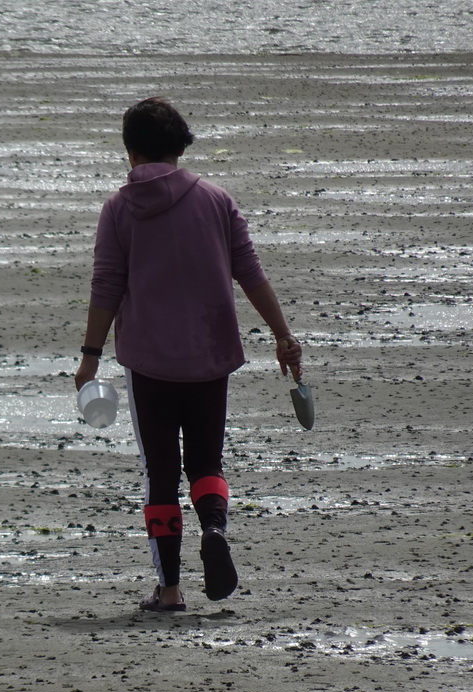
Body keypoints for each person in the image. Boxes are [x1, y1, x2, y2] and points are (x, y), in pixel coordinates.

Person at [74, 97, 302, 612]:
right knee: (205, 460)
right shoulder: (218, 200)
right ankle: (215, 529)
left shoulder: (118, 208)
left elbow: (107, 284)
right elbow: (250, 272)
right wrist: (283, 337)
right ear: (181, 146)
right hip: (210, 355)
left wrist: (90, 356)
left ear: (130, 151)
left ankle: (171, 588)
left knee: (160, 470)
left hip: (149, 362)